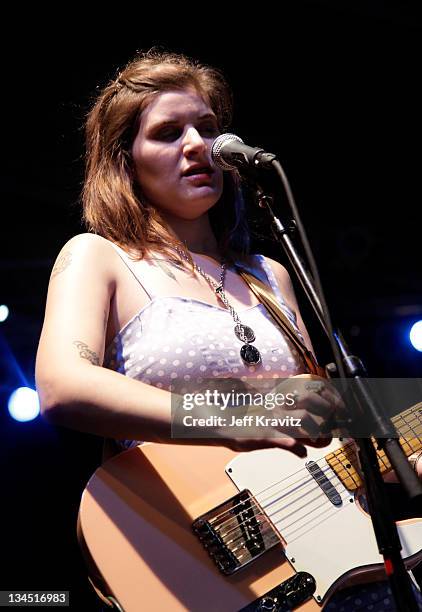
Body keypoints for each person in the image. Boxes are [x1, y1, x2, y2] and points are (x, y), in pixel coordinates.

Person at [35, 50, 422, 611]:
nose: (199, 145)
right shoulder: (101, 257)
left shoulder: (272, 274)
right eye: (169, 133)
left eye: (209, 128)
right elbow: (64, 386)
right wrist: (242, 414)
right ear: (125, 160)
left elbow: (340, 434)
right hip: (194, 544)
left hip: (341, 567)